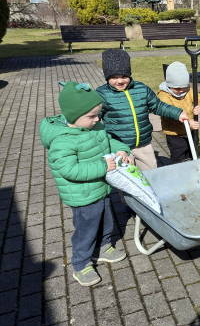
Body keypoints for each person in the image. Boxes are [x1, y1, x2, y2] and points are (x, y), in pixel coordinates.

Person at [39, 82, 133, 286]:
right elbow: (69, 170)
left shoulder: (95, 126)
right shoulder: (63, 141)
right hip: (82, 195)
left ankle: (104, 246)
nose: (97, 119)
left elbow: (108, 140)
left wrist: (121, 149)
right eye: (92, 116)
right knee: (86, 230)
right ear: (74, 116)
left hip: (100, 188)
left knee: (107, 220)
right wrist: (102, 166)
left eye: (98, 114)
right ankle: (81, 263)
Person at [96, 49, 188, 170]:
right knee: (127, 176)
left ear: (129, 74)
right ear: (107, 77)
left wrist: (178, 113)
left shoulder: (141, 89)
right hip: (119, 147)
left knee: (151, 172)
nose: (120, 81)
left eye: (124, 76)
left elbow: (158, 106)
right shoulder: (101, 94)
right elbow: (94, 118)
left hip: (143, 145)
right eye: (114, 77)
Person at [157, 61, 200, 163]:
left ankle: (191, 169)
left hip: (190, 131)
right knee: (178, 157)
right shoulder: (163, 95)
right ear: (169, 85)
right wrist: (188, 122)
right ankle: (179, 170)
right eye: (177, 88)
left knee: (192, 153)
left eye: (183, 87)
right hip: (174, 134)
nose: (181, 91)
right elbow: (170, 113)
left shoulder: (188, 91)